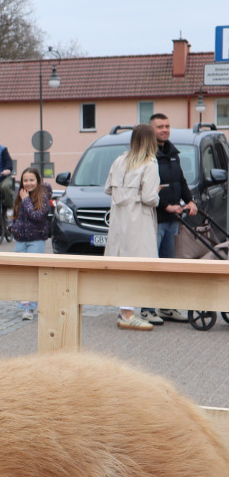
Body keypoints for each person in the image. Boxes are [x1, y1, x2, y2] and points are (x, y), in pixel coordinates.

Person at [139, 113, 198, 325]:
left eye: (167, 126)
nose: (165, 130)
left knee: (169, 266)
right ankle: (147, 309)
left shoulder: (173, 153)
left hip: (174, 220)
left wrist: (190, 201)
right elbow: (146, 189)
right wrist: (166, 206)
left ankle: (167, 307)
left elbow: (179, 180)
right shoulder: (146, 155)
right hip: (154, 219)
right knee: (152, 267)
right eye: (160, 127)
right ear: (150, 130)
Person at [103, 123, 160, 331]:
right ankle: (128, 312)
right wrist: (157, 195)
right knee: (139, 266)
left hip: (119, 219)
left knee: (122, 264)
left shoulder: (120, 160)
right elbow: (149, 197)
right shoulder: (150, 163)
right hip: (139, 220)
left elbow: (108, 188)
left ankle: (124, 309)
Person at [9, 167, 53, 321]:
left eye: (31, 180)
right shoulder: (21, 194)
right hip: (21, 240)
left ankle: (29, 307)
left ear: (38, 181)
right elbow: (17, 214)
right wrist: (12, 227)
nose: (28, 183)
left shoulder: (43, 196)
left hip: (36, 240)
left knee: (33, 273)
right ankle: (25, 304)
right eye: (25, 180)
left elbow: (38, 216)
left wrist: (26, 200)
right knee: (21, 272)